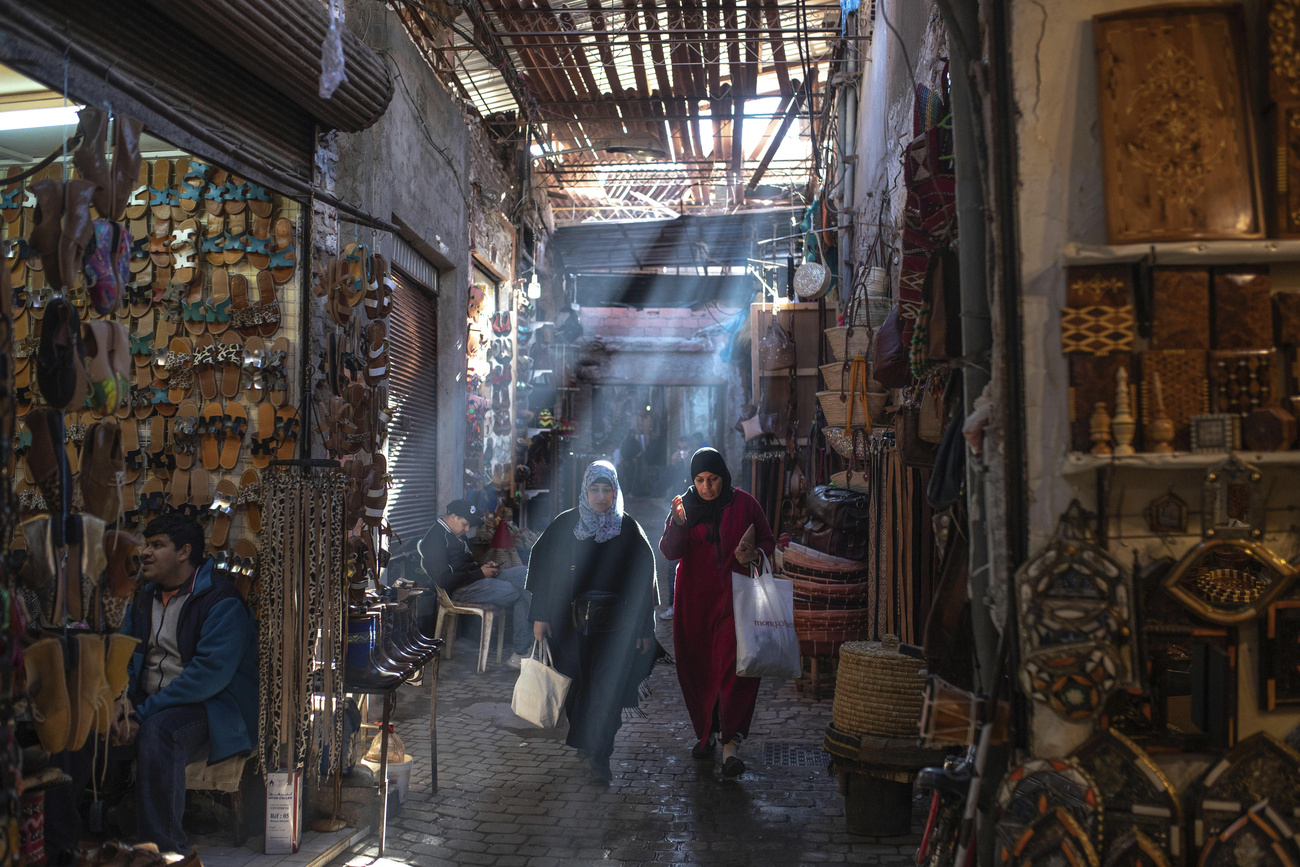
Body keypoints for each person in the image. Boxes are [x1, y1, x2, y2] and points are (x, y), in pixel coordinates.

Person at [120, 513, 259, 852]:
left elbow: (207, 677)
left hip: (210, 709)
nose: (145, 553)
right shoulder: (144, 600)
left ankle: (164, 850)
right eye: (146, 545)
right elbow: (121, 655)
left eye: (157, 545)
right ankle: (67, 840)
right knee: (87, 727)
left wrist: (142, 714)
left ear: (183, 552)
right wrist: (120, 703)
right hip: (149, 703)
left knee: (159, 732)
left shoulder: (221, 600)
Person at [525, 460, 658, 783]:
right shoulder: (565, 525)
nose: (600, 496)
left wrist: (644, 628)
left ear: (615, 491)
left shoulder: (628, 530)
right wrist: (540, 615)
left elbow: (644, 582)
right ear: (584, 491)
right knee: (576, 688)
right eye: (594, 489)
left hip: (616, 629)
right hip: (569, 627)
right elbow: (542, 569)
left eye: (606, 489)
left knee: (607, 691)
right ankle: (586, 739)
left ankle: (600, 755)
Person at [659, 448, 774, 777]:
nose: (707, 487)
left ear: (723, 476)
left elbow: (767, 540)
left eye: (713, 479)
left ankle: (730, 745)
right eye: (700, 480)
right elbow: (669, 552)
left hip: (736, 603)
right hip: (694, 605)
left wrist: (755, 553)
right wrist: (679, 525)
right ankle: (706, 733)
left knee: (733, 671)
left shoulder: (745, 504)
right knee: (699, 670)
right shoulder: (683, 507)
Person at [420, 499, 532, 669]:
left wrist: (484, 568)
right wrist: (480, 573)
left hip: (474, 580)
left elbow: (464, 565)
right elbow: (444, 580)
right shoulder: (435, 539)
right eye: (465, 524)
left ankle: (535, 637)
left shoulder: (454, 534)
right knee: (520, 592)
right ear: (453, 517)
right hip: (460, 591)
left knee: (526, 573)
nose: (467, 529)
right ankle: (522, 652)